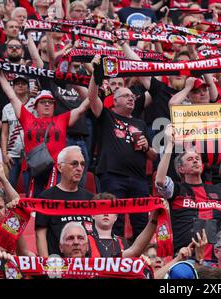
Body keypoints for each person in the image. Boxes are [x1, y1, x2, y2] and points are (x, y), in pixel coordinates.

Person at [88, 55, 157, 239]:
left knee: (141, 222)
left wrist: (146, 147)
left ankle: (140, 257)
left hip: (139, 179)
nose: (131, 98)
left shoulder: (140, 123)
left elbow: (152, 156)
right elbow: (92, 97)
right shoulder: (106, 116)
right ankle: (114, 256)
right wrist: (96, 74)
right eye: (125, 96)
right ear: (115, 100)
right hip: (113, 176)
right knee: (114, 220)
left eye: (132, 96)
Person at [0, 71, 90, 196]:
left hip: (56, 170)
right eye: (42, 102)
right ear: (35, 107)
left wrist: (95, 82)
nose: (46, 104)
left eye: (50, 102)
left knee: (54, 202)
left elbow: (84, 106)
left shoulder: (62, 119)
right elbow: (11, 96)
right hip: (32, 170)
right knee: (34, 203)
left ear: (54, 106)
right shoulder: (27, 118)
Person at [155, 124, 221, 259]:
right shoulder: (177, 189)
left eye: (197, 159)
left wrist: (219, 230)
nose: (195, 161)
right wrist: (170, 144)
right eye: (190, 159)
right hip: (185, 257)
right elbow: (160, 181)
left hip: (215, 259)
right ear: (180, 169)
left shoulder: (218, 191)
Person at [35, 146, 94, 258]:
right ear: (60, 167)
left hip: (87, 268)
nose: (79, 168)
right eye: (74, 164)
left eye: (82, 164)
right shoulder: (46, 198)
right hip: (58, 268)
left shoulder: (91, 198)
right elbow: (40, 235)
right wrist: (47, 268)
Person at [88, 192, 163, 258]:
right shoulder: (83, 240)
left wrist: (154, 219)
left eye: (110, 210)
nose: (106, 214)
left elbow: (135, 251)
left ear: (116, 217)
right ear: (93, 215)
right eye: (102, 209)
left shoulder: (123, 242)